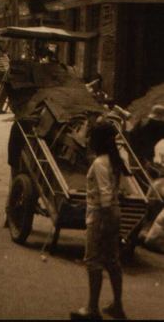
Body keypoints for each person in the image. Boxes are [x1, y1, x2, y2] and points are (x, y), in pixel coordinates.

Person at [71, 120, 129, 321]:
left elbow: (104, 196)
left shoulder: (99, 164)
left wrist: (101, 218)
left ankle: (92, 308)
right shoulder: (117, 159)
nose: (89, 140)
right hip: (114, 212)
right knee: (112, 260)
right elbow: (121, 190)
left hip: (100, 214)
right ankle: (117, 305)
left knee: (93, 260)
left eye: (92, 137)